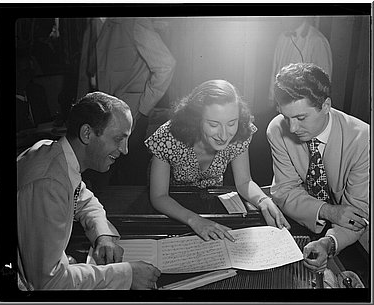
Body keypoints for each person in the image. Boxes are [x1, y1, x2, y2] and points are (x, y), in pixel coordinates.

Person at [17, 91, 161, 290]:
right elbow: (48, 283)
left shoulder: (56, 153)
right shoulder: (48, 183)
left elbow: (84, 200)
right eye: (119, 138)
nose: (125, 150)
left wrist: (103, 235)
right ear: (87, 133)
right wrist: (127, 274)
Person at [145, 80, 290, 242]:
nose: (224, 135)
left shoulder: (240, 132)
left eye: (231, 123)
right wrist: (195, 221)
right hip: (173, 207)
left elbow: (244, 181)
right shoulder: (168, 135)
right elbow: (159, 196)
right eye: (214, 124)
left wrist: (263, 200)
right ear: (195, 119)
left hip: (210, 203)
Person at [266, 63, 369, 272]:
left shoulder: (364, 139)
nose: (292, 128)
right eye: (287, 117)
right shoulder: (277, 129)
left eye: (301, 118)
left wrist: (328, 243)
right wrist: (328, 211)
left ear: (326, 106)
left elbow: (356, 216)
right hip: (304, 223)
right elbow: (284, 191)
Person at [77, 17, 176, 189]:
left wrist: (142, 107)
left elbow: (166, 65)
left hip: (131, 118)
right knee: (99, 181)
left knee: (131, 181)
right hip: (98, 118)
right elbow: (85, 72)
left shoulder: (134, 21)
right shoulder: (91, 22)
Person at [268, 17, 332, 107]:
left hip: (304, 105)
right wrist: (271, 97)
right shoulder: (282, 37)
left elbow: (324, 80)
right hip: (281, 101)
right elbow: (275, 68)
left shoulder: (317, 40)